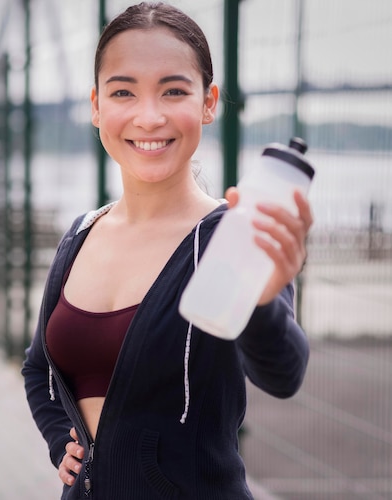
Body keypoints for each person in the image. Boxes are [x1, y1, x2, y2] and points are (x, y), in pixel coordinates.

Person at [22, 2, 312, 499]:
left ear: (208, 102)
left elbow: (283, 372)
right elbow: (38, 368)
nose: (149, 116)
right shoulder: (81, 233)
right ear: (97, 106)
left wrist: (262, 303)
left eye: (174, 91)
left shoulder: (228, 236)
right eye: (123, 92)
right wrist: (60, 442)